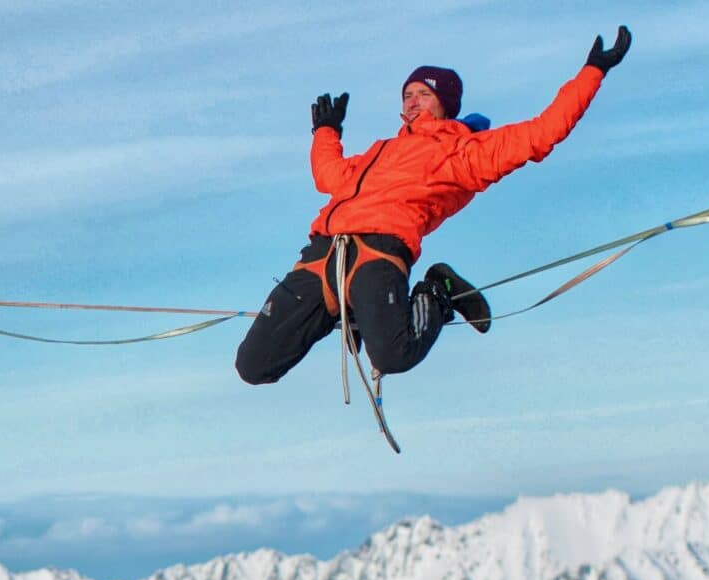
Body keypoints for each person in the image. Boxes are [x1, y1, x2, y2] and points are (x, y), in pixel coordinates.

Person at [234, 27, 631, 387]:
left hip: (379, 253)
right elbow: (330, 177)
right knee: (253, 367)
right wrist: (326, 132)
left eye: (424, 94)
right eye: (407, 95)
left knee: (393, 355)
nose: (413, 102)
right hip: (321, 254)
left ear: (446, 103)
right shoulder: (380, 151)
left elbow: (543, 133)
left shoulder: (464, 151)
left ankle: (438, 290)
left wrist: (592, 72)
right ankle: (346, 312)